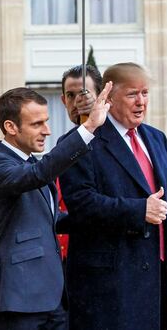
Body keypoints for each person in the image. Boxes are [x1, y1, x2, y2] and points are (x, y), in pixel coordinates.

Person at [58, 62, 167, 330]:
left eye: (145, 93)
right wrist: (138, 210)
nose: (141, 101)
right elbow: (81, 204)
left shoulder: (156, 139)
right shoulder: (81, 142)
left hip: (162, 278)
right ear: (108, 97)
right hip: (112, 283)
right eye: (132, 94)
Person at [0, 83, 112, 330]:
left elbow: (50, 220)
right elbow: (40, 173)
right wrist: (89, 127)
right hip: (17, 301)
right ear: (10, 127)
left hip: (53, 300)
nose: (47, 131)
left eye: (46, 121)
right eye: (37, 124)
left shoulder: (26, 164)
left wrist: (110, 212)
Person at [57, 65, 103, 259]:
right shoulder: (65, 143)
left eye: (84, 94)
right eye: (70, 95)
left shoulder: (115, 140)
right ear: (62, 100)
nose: (78, 102)